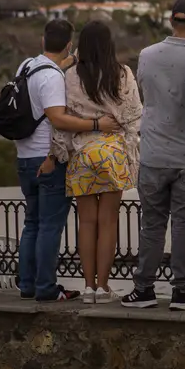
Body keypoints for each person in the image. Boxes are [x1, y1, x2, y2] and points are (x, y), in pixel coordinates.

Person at [17, 19, 120, 303]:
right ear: (68, 45)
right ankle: (51, 287)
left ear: (42, 40)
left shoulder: (27, 66)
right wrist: (100, 126)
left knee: (34, 223)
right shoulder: (58, 77)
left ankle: (31, 284)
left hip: (27, 156)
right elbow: (58, 121)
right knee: (56, 225)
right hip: (55, 157)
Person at [121, 0, 185, 312]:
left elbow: (148, 94)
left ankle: (143, 289)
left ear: (172, 21)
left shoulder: (146, 55)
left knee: (152, 224)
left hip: (154, 153)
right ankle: (183, 292)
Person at [50, 20, 142, 304]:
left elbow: (62, 122)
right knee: (108, 222)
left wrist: (59, 152)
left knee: (86, 223)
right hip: (112, 154)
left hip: (82, 154)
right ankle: (104, 287)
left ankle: (88, 287)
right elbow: (133, 118)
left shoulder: (70, 76)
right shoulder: (123, 73)